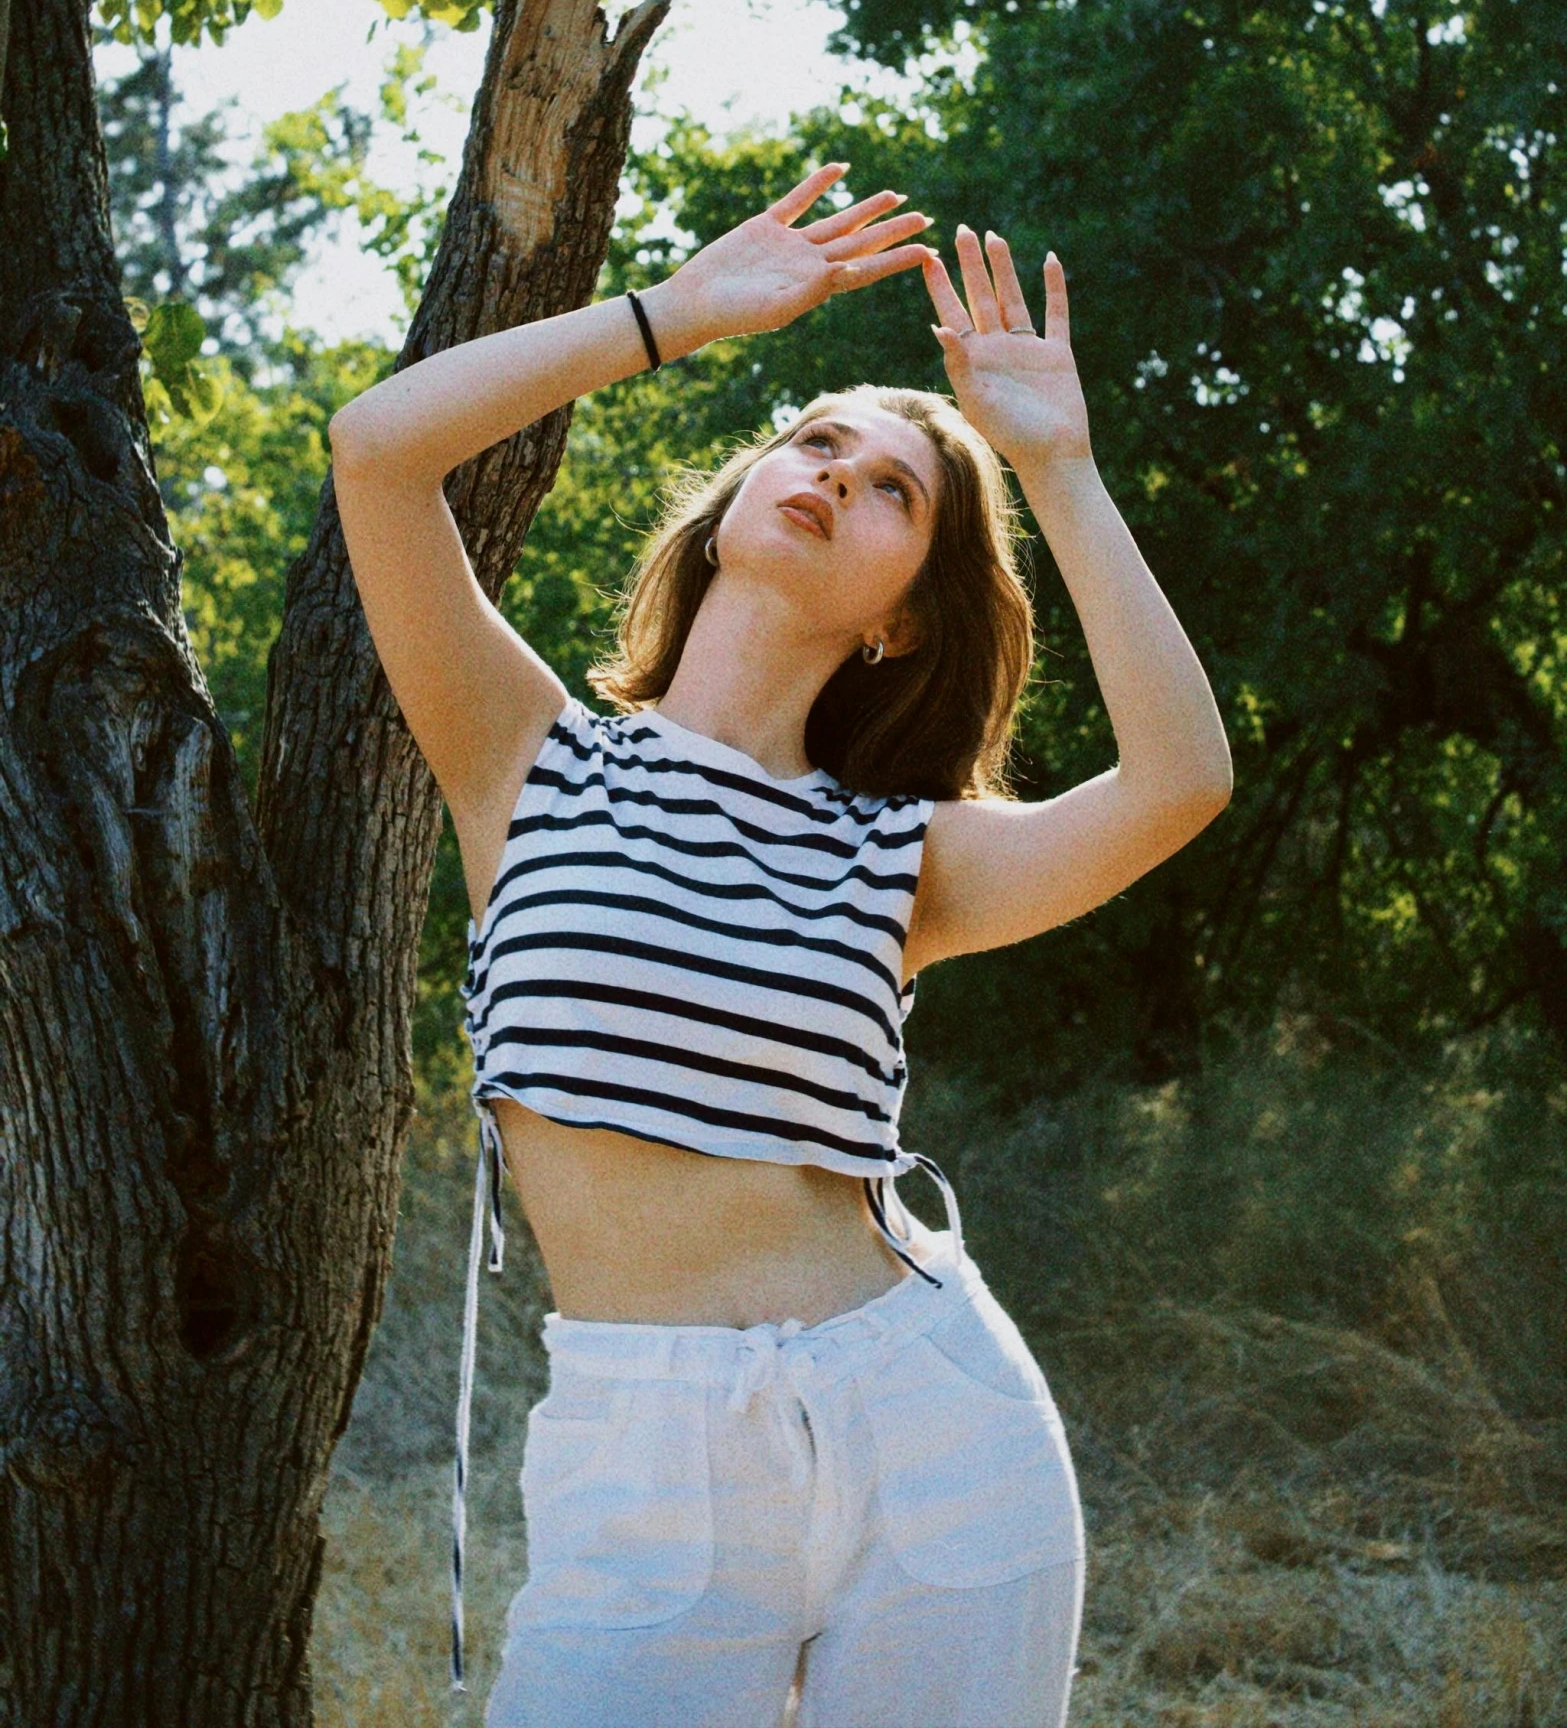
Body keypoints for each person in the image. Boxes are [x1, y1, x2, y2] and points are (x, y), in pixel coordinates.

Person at [329, 161, 1233, 1728]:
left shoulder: (898, 856)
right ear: (735, 497)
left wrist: (1059, 466)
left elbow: (1178, 781)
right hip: (638, 1445)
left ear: (900, 617)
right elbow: (375, 452)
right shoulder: (528, 756)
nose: (835, 473)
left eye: (895, 488)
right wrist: (669, 314)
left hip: (926, 1417)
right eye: (816, 441)